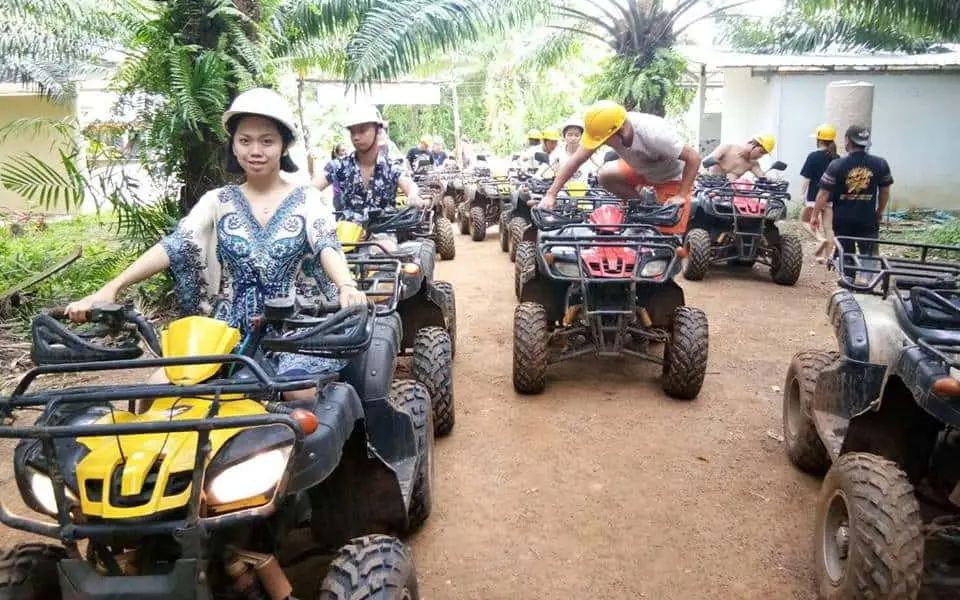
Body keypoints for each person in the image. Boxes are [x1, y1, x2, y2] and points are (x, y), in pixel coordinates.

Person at [65, 88, 367, 399]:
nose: (255, 150)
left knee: (298, 394)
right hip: (226, 331)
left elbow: (326, 243)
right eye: (245, 140)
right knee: (154, 389)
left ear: (284, 145)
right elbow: (176, 244)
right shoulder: (217, 201)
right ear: (233, 145)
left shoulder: (307, 199)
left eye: (267, 141)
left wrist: (346, 285)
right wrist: (112, 288)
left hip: (297, 329)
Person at [539, 100, 701, 235]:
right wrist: (551, 195)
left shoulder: (655, 133)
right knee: (605, 175)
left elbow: (694, 158)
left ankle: (660, 222)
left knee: (666, 235)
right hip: (641, 170)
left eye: (605, 141)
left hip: (671, 178)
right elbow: (575, 160)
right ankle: (638, 206)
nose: (604, 144)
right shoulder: (605, 128)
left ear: (621, 130)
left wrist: (681, 195)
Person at [313, 105, 424, 225]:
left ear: (378, 130)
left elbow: (409, 185)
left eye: (362, 130)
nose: (356, 137)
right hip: (347, 233)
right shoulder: (338, 166)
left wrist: (413, 195)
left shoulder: (391, 167)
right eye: (352, 132)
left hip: (384, 231)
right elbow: (309, 190)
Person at [811, 125, 893, 257]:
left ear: (847, 141)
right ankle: (867, 271)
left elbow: (823, 193)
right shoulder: (880, 164)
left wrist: (814, 215)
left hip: (843, 220)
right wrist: (879, 212)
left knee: (844, 256)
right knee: (869, 257)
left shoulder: (837, 165)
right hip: (867, 219)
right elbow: (885, 191)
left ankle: (846, 269)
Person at [800, 124, 838, 263]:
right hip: (830, 199)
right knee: (829, 228)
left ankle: (819, 238)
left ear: (820, 140)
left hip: (813, 198)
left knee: (804, 221)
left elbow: (807, 178)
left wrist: (802, 194)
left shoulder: (813, 156)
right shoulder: (837, 158)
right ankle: (828, 257)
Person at [705, 134, 776, 179]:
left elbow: (762, 177)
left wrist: (771, 181)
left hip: (727, 194)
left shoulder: (753, 163)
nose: (760, 156)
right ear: (753, 144)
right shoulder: (727, 148)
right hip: (708, 188)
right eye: (761, 152)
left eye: (763, 154)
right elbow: (706, 163)